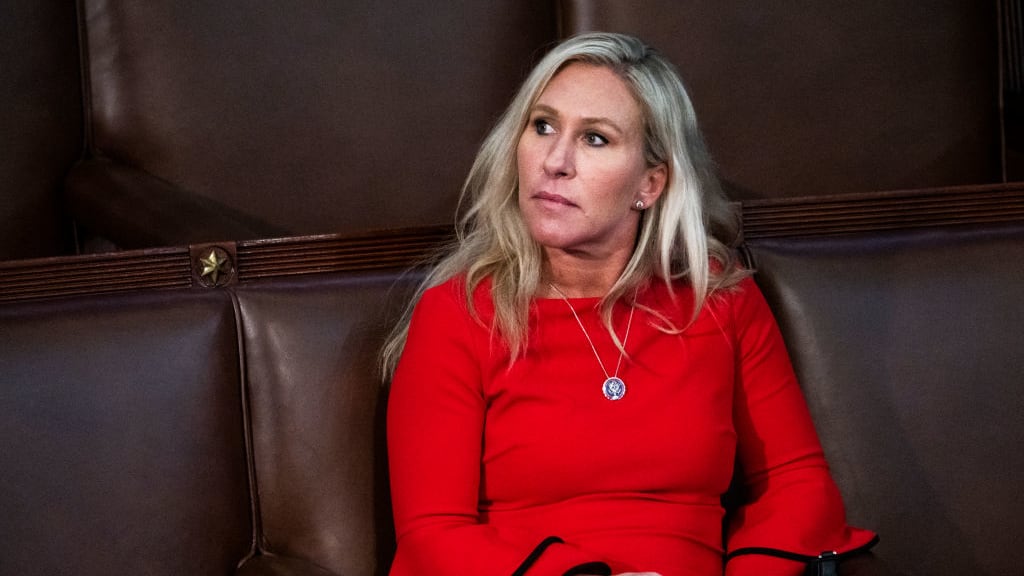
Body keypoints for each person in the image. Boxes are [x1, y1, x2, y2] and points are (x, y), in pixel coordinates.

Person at [381, 32, 876, 576]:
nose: (555, 160)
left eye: (594, 138)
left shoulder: (720, 299)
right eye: (542, 126)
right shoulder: (458, 313)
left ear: (651, 182)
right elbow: (432, 536)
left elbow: (797, 482)